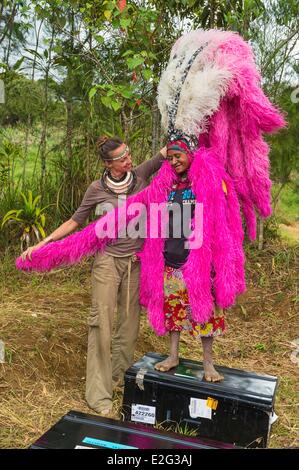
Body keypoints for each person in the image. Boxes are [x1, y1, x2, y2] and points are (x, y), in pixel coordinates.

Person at [21, 136, 167, 415]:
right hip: (107, 262)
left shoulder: (140, 176)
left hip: (136, 263)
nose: (129, 159)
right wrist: (44, 243)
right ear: (108, 164)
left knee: (129, 327)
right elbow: (75, 221)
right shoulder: (96, 189)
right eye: (122, 158)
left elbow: (165, 152)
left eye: (129, 153)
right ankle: (99, 394)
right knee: (102, 323)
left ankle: (119, 381)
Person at [153, 139, 225, 381]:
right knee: (173, 311)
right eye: (170, 158)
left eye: (178, 156)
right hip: (171, 260)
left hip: (198, 263)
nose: (174, 162)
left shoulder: (203, 182)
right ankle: (173, 356)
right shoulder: (168, 186)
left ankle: (208, 364)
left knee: (203, 312)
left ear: (189, 155)